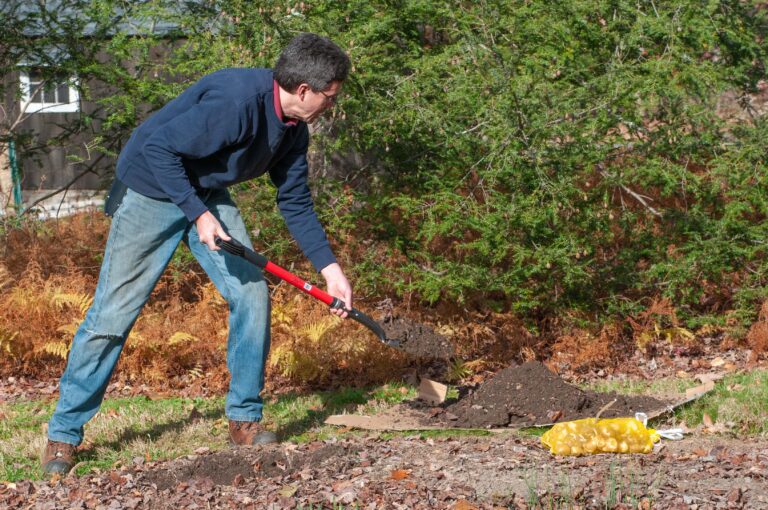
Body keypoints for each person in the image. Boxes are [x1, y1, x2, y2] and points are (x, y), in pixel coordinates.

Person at [41, 33, 352, 476]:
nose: (331, 106)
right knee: (113, 314)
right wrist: (199, 216)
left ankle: (244, 417)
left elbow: (295, 200)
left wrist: (331, 270)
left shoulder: (293, 130)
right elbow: (158, 148)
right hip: (150, 188)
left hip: (204, 191)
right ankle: (63, 434)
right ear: (304, 90)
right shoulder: (236, 102)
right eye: (330, 98)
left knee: (251, 294)